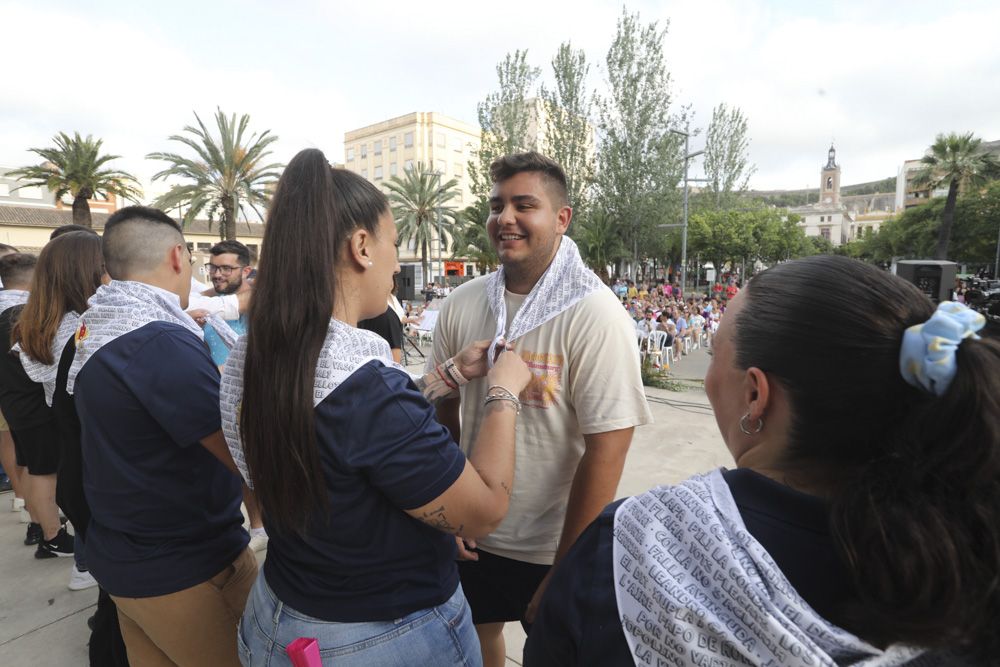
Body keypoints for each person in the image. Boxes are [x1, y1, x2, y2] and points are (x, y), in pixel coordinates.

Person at [525, 255, 999, 665]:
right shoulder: (973, 550)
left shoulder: (631, 546)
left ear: (755, 394)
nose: (709, 376)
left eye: (714, 355)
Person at [221, 149, 531, 666]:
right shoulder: (365, 388)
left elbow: (352, 432)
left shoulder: (256, 355)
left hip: (278, 612)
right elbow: (485, 509)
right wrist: (504, 392)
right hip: (380, 636)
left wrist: (448, 374)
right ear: (361, 246)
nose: (395, 260)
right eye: (392, 241)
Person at [429, 152, 651, 667]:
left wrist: (567, 564)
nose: (505, 218)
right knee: (477, 641)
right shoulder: (463, 303)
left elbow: (607, 448)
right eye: (496, 205)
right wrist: (452, 508)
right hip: (472, 533)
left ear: (561, 218)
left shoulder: (595, 315)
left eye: (524, 205)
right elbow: (444, 413)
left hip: (553, 542)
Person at [69, 206, 254, 667]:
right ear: (177, 255)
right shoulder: (156, 341)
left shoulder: (102, 327)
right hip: (186, 566)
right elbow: (242, 453)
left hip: (126, 557)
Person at [0, 253, 74, 557]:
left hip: (14, 403)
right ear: (34, 278)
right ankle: (53, 536)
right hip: (34, 403)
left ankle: (38, 524)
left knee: (30, 466)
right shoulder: (23, 314)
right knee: (45, 471)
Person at [198, 240, 268, 553]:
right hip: (219, 398)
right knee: (238, 469)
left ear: (246, 270)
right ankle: (257, 526)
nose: (218, 274)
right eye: (214, 267)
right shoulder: (205, 300)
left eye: (227, 268)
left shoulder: (256, 296)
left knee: (265, 468)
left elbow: (238, 305)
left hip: (258, 397)